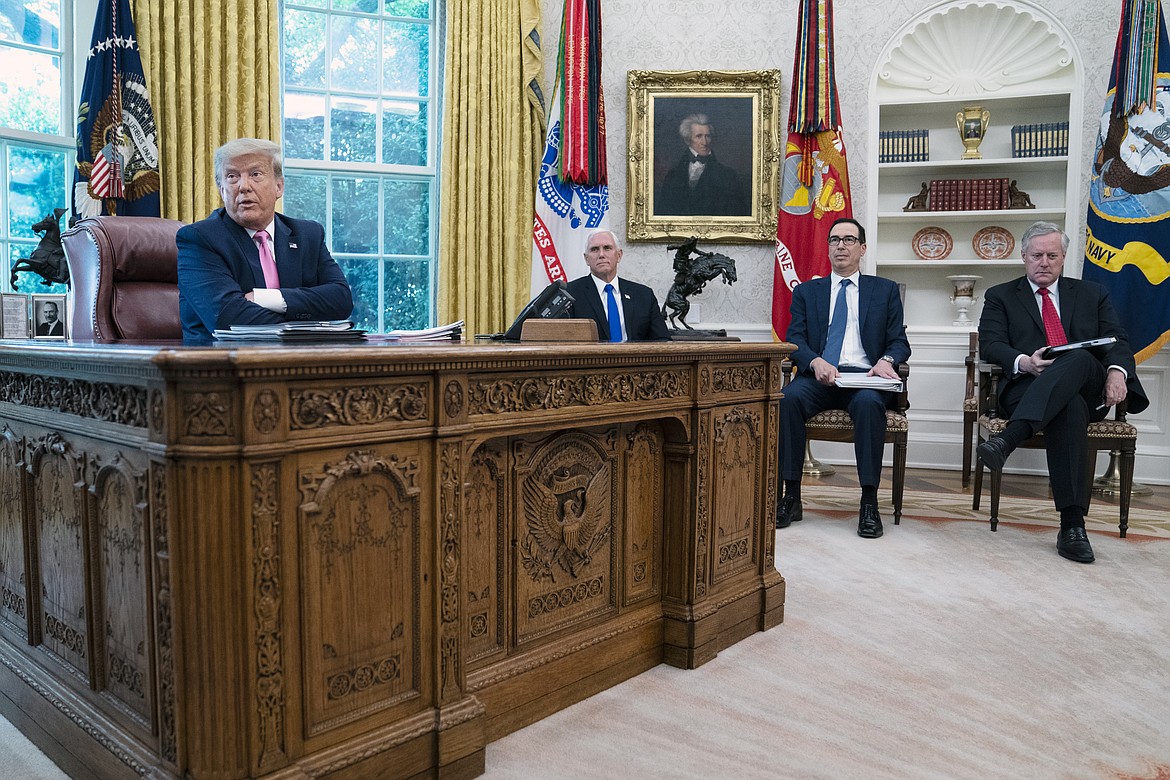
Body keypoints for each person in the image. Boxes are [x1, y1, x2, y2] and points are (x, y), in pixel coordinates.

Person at [976, 221, 1148, 563]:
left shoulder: (1091, 293)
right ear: (1023, 256)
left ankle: (1009, 439)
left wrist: (1116, 371)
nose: (1044, 262)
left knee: (1080, 357)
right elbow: (991, 344)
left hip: (1088, 388)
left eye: (1052, 255)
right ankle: (1072, 527)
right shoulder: (1001, 296)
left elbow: (1118, 341)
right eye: (1037, 255)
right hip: (1027, 388)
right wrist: (1025, 362)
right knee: (1067, 408)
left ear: (1064, 257)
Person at [776, 218, 911, 539]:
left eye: (849, 240)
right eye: (835, 240)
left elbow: (899, 342)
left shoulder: (884, 290)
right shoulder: (808, 292)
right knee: (789, 399)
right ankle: (791, 496)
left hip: (864, 378)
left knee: (867, 405)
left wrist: (886, 361)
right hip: (820, 377)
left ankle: (868, 502)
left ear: (862, 248)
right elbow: (794, 339)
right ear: (828, 247)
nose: (841, 246)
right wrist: (815, 361)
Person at [177, 138, 353, 340]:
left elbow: (341, 300)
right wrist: (310, 322)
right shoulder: (199, 239)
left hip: (299, 363)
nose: (244, 186)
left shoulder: (307, 234)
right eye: (232, 176)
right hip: (224, 365)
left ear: (279, 187)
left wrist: (264, 298)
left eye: (255, 174)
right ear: (221, 189)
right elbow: (228, 317)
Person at [566, 230, 670, 342]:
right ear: (586, 259)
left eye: (607, 248)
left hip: (635, 359)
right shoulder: (570, 294)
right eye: (595, 249)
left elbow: (662, 339)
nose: (601, 255)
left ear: (619, 255)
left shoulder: (644, 295)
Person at [656, 114, 749, 217]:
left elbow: (738, 215)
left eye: (707, 136)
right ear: (688, 140)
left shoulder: (728, 176)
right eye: (699, 136)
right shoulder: (672, 176)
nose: (704, 142)